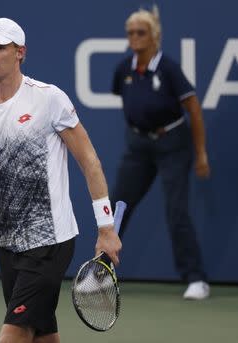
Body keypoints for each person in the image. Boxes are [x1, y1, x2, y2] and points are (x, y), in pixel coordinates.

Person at [0, 17, 122, 343]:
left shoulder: (49, 99)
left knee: (14, 334)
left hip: (49, 241)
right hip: (7, 244)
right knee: (41, 335)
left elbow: (89, 162)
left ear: (20, 52)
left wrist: (106, 228)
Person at [111, 6, 211, 300]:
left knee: (176, 211)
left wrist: (201, 153)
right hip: (138, 146)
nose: (134, 38)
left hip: (173, 144)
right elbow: (128, 100)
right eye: (130, 33)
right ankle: (103, 272)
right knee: (117, 208)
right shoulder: (123, 69)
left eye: (140, 32)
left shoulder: (168, 68)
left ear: (154, 36)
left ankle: (196, 279)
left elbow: (193, 108)